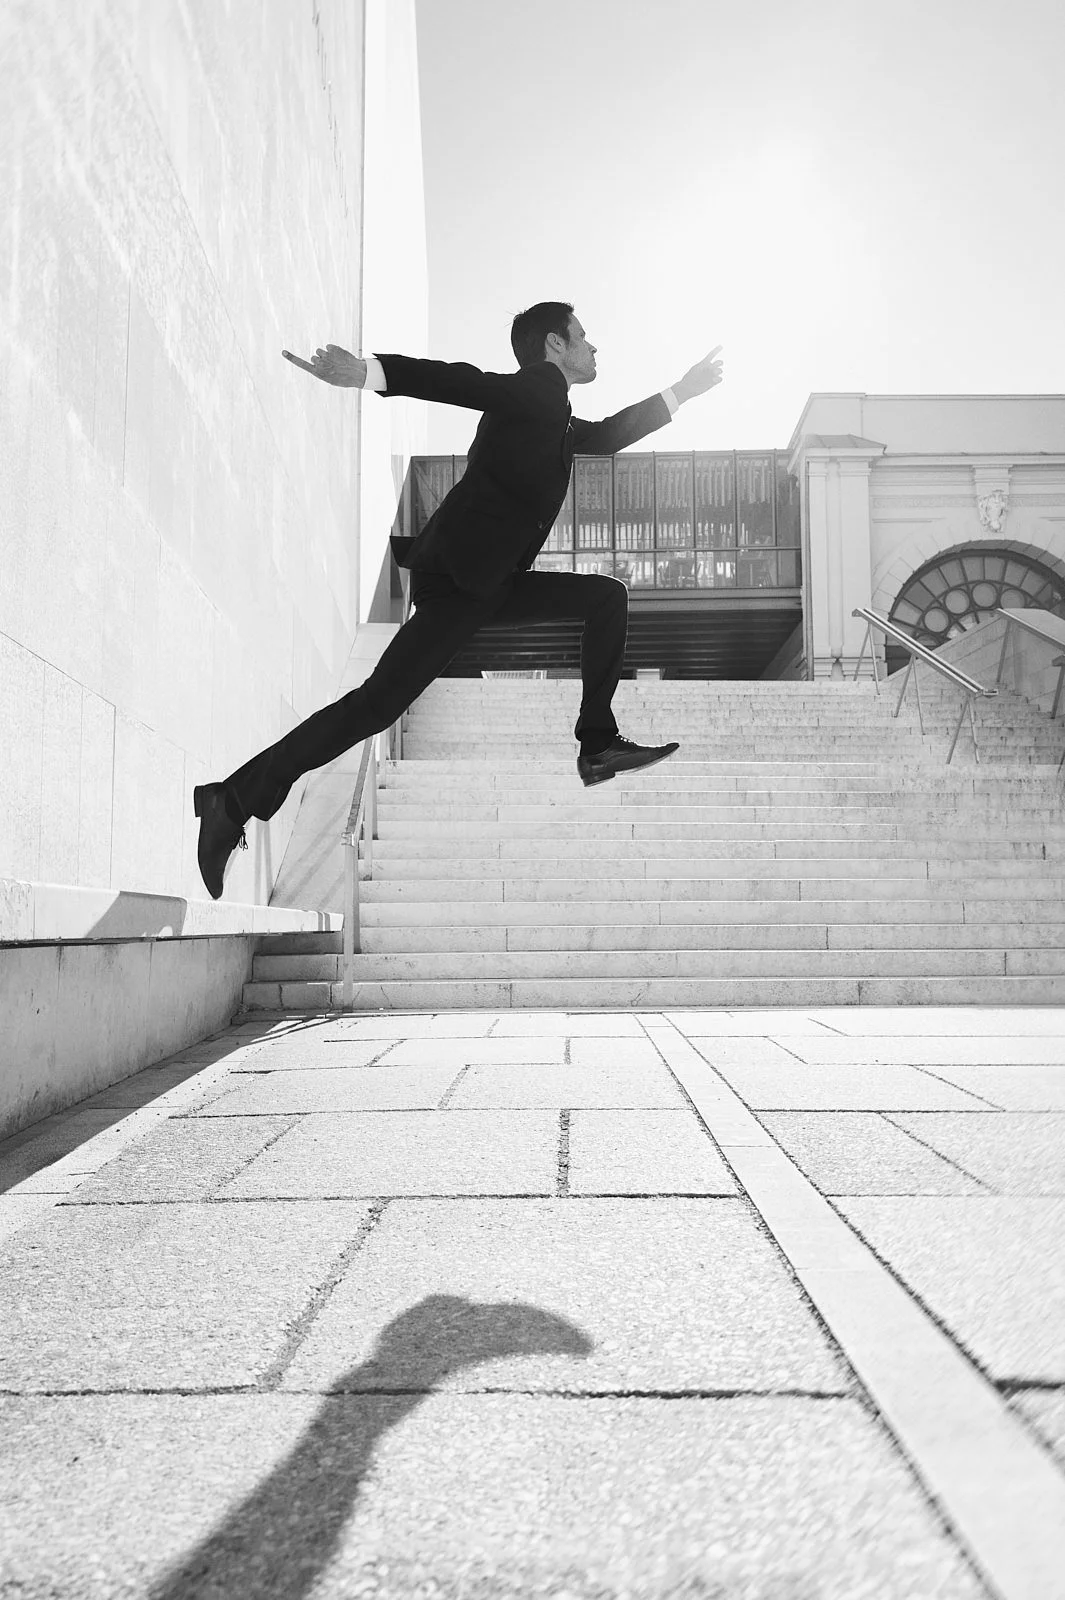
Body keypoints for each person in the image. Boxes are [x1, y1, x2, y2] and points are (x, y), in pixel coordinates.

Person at [193, 303, 724, 899]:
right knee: (373, 708)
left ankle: (598, 744)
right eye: (583, 336)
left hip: (491, 582)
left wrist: (682, 391)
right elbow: (463, 382)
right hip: (464, 583)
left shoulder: (553, 417)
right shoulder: (537, 390)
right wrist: (368, 372)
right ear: (555, 344)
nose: (593, 347)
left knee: (606, 598)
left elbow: (607, 435)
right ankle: (231, 800)